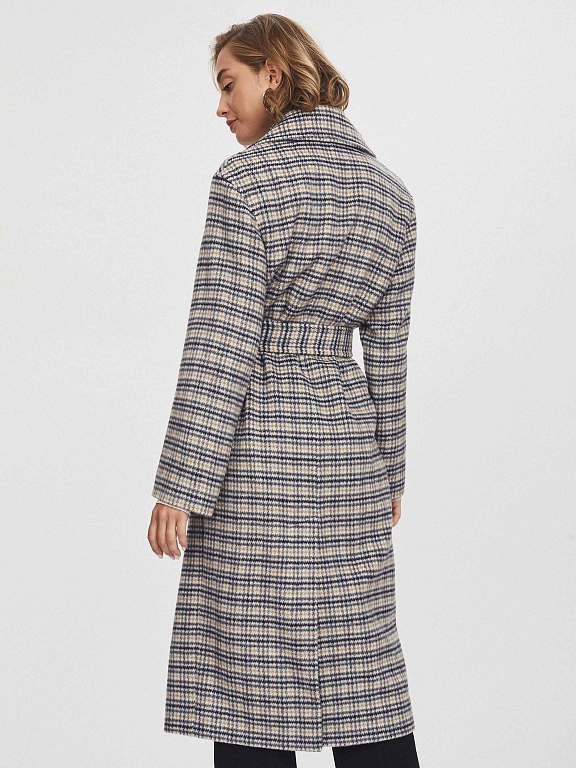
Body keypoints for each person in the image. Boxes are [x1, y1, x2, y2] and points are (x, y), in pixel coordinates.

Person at [147, 13, 420, 767]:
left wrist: (179, 486)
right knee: (364, 682)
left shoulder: (245, 183)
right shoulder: (391, 197)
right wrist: (390, 475)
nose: (220, 106)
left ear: (273, 73)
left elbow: (221, 344)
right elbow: (388, 358)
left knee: (250, 692)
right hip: (350, 461)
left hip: (256, 457)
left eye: (227, 83)